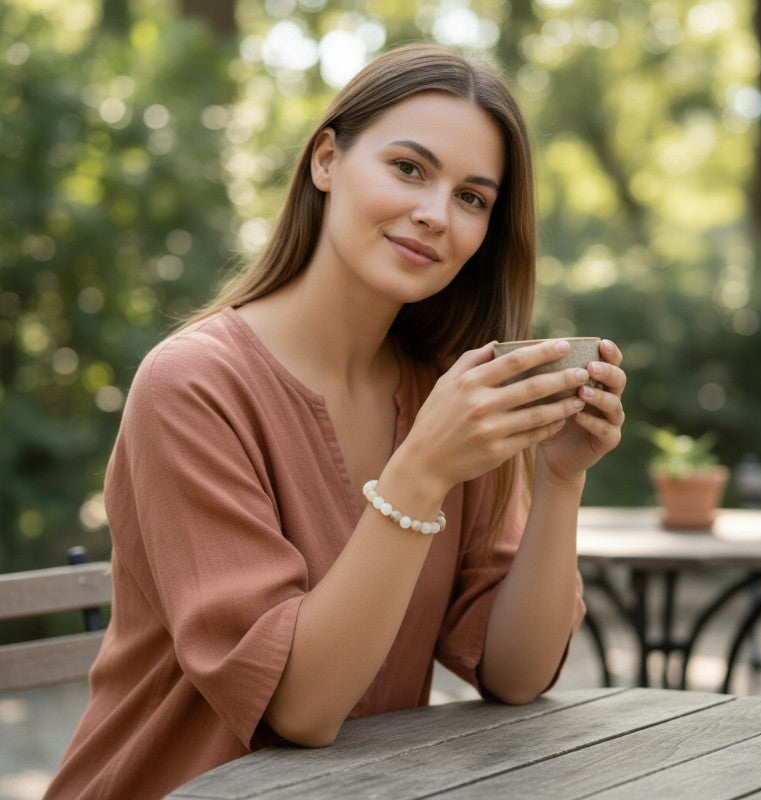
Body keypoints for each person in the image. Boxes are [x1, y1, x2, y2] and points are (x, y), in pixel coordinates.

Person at [44, 42, 625, 799]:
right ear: (326, 160)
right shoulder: (192, 386)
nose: (433, 214)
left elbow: (515, 674)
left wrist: (559, 477)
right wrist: (421, 472)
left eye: (472, 197)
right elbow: (301, 707)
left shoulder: (444, 392)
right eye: (409, 168)